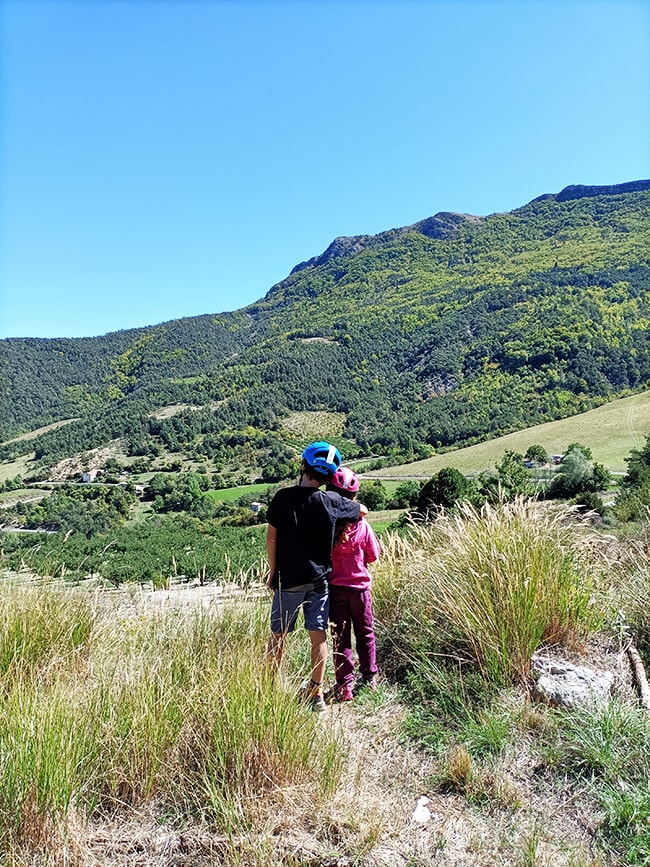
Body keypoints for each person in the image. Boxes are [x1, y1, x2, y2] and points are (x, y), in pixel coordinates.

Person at [266, 441, 367, 712]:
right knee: (318, 636)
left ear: (303, 466)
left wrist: (273, 570)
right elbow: (362, 511)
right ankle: (316, 694)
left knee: (278, 635)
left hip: (288, 580)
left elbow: (272, 538)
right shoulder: (330, 502)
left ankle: (268, 690)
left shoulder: (282, 498)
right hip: (319, 582)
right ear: (328, 477)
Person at [327, 467, 381, 702]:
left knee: (340, 637)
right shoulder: (363, 525)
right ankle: (369, 677)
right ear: (354, 499)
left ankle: (344, 685)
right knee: (365, 633)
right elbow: (373, 555)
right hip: (360, 589)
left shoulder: (327, 527)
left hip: (336, 589)